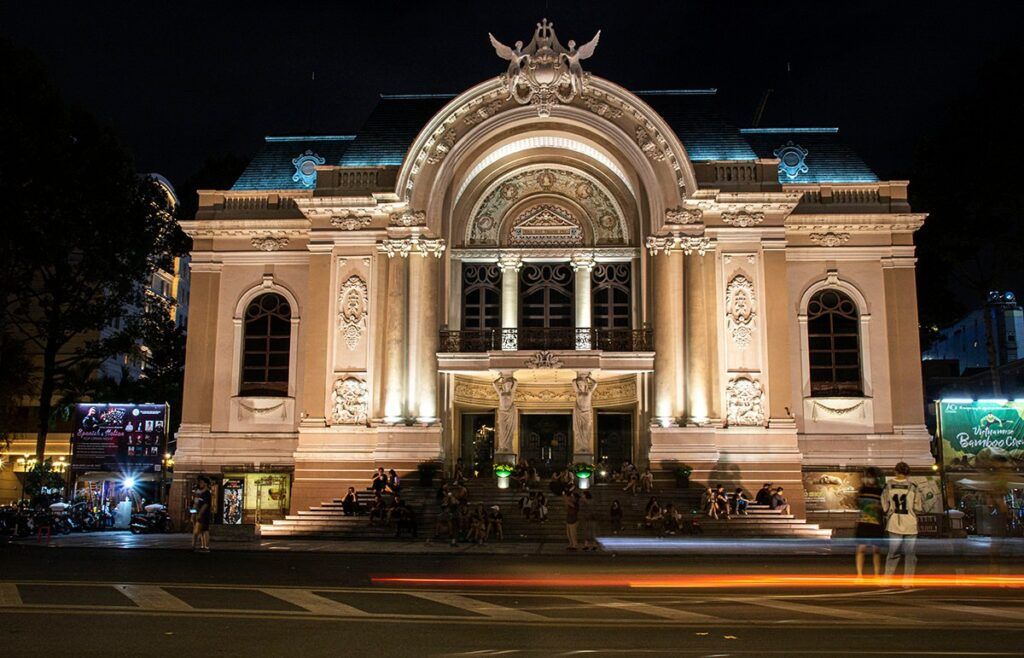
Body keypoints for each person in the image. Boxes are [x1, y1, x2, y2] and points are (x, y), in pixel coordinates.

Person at [882, 461, 920, 580]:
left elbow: (884, 506)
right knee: (910, 554)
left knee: (893, 553)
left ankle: (887, 578)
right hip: (910, 524)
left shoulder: (889, 485)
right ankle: (908, 580)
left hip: (894, 523)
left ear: (895, 471)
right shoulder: (913, 486)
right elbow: (918, 507)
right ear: (908, 473)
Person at [854, 466, 885, 578]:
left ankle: (877, 574)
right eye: (867, 477)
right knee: (861, 550)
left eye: (870, 477)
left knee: (876, 551)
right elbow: (857, 504)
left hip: (876, 523)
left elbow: (884, 506)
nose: (868, 479)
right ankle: (859, 575)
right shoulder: (862, 490)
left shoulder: (881, 491)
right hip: (863, 522)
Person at [193, 476, 212, 553]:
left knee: (205, 530)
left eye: (201, 482)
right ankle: (203, 546)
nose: (200, 484)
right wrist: (193, 514)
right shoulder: (200, 493)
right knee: (201, 531)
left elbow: (205, 505)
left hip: (204, 514)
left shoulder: (207, 493)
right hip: (199, 514)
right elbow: (195, 504)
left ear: (206, 484)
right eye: (199, 482)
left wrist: (200, 513)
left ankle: (206, 547)